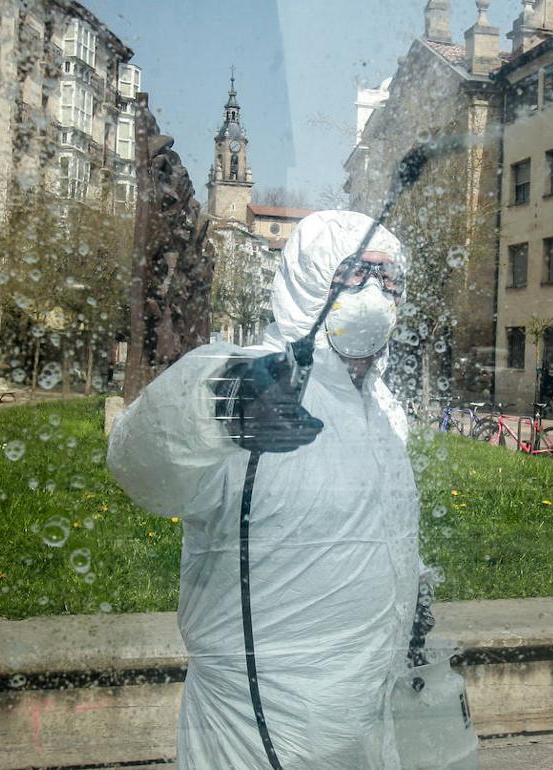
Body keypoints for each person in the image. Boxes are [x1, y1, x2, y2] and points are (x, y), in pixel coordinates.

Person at [107, 211, 423, 769]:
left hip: (366, 718)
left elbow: (379, 530)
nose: (375, 293)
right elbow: (139, 461)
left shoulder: (383, 411)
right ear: (307, 280)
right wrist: (225, 405)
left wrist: (412, 599)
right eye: (353, 274)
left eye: (388, 279)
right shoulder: (253, 380)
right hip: (256, 730)